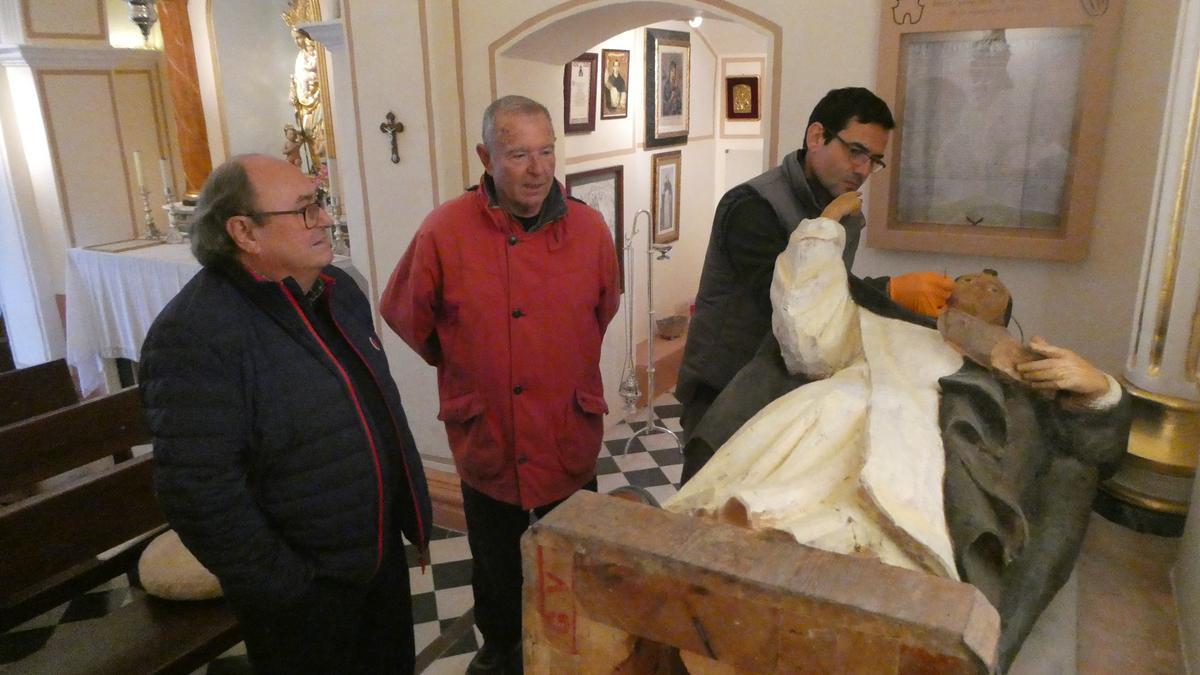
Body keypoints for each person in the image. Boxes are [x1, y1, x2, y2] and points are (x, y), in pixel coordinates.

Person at [667, 216, 1130, 670]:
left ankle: (828, 582)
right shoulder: (890, 326)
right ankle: (733, 559)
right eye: (966, 281)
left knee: (884, 526)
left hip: (927, 451)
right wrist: (821, 231)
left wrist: (1100, 391)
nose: (980, 287)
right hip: (830, 420)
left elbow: (1090, 455)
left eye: (994, 291)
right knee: (822, 423)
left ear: (1008, 318)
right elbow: (807, 334)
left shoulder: (1031, 369)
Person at [139, 154, 432, 674]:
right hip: (305, 592)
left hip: (375, 558)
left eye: (318, 202)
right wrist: (287, 587)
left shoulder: (340, 294)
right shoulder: (196, 333)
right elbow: (197, 491)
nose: (324, 218)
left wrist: (408, 512)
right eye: (303, 210)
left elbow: (381, 410)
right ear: (244, 232)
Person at [380, 95, 620, 675]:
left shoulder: (589, 228)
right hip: (489, 431)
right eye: (518, 155)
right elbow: (405, 312)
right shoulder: (444, 229)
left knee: (571, 560)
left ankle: (574, 654)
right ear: (486, 156)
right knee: (496, 566)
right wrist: (470, 365)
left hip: (567, 423)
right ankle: (503, 653)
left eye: (546, 152)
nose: (538, 170)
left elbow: (603, 310)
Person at [676, 86, 955, 482]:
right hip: (728, 388)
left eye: (874, 160)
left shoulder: (840, 206)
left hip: (789, 387)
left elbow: (831, 297)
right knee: (705, 510)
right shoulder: (752, 207)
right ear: (816, 136)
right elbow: (794, 304)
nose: (862, 170)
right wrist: (890, 291)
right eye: (855, 151)